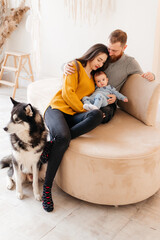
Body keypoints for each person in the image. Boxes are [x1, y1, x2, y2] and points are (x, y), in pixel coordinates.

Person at [42, 43, 109, 212]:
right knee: (63, 138)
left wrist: (109, 99)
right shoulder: (74, 66)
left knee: (96, 115)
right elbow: (67, 93)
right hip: (57, 109)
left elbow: (91, 99)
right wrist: (82, 109)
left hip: (73, 114)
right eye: (99, 59)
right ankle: (47, 189)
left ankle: (51, 144)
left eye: (103, 62)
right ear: (92, 54)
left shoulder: (94, 76)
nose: (100, 64)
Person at [64, 29, 155, 123]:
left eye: (114, 50)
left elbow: (142, 77)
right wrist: (66, 66)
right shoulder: (103, 56)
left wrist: (152, 75)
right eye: (109, 48)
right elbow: (83, 62)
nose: (110, 53)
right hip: (92, 95)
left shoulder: (130, 63)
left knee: (103, 115)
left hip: (109, 100)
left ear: (124, 48)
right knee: (77, 105)